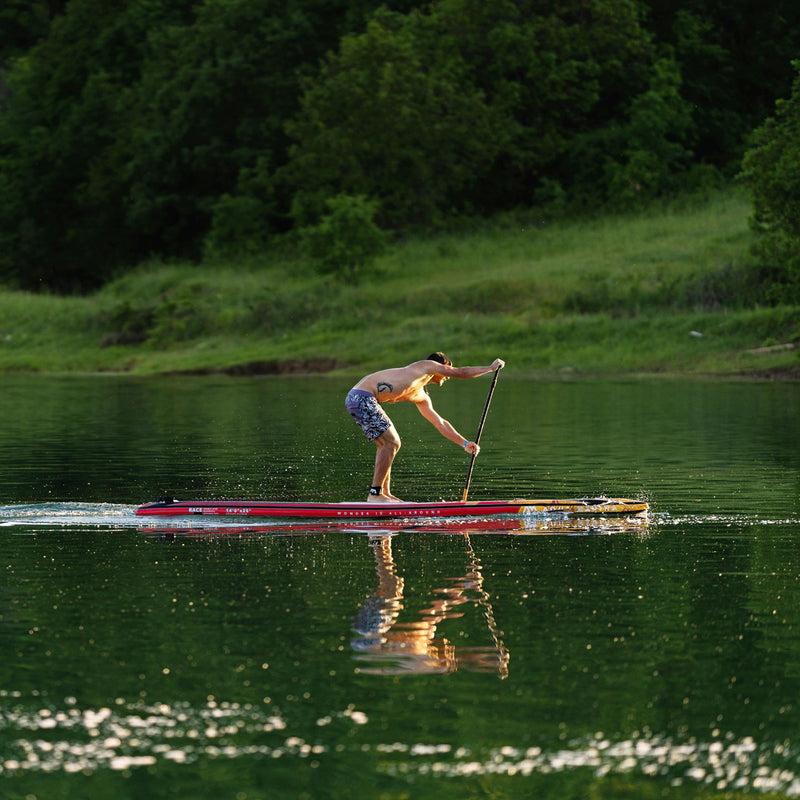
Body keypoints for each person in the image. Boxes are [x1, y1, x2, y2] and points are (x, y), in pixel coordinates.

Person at [345, 353, 505, 503]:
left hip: (363, 400)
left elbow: (439, 422)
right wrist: (489, 369)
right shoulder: (426, 366)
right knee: (392, 443)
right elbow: (461, 372)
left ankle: (384, 493)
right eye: (447, 369)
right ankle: (375, 494)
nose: (448, 375)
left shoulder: (420, 395)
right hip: (362, 397)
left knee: (386, 444)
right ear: (438, 367)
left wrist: (464, 443)